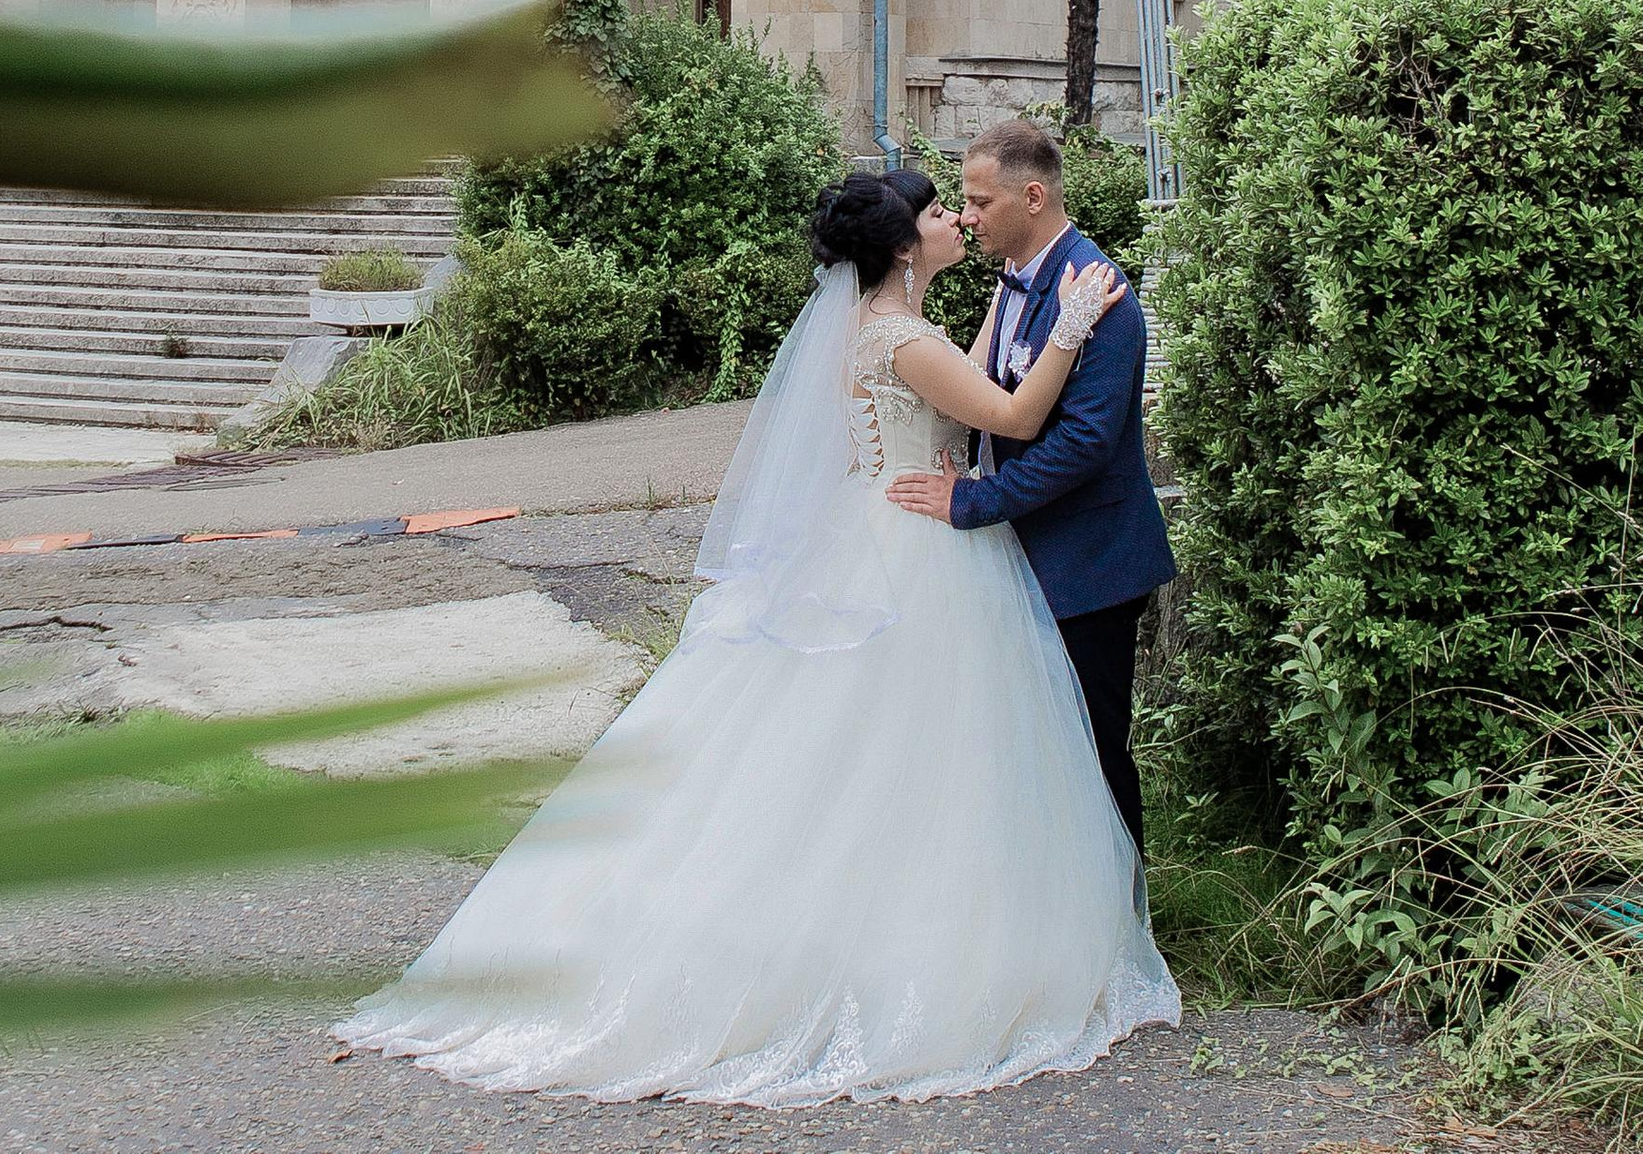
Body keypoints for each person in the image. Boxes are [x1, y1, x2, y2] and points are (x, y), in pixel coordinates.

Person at [339, 164, 1178, 1109]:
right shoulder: (902, 337)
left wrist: (1009, 315)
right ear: (904, 244)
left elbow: (968, 375)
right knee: (919, 753)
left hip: (874, 542)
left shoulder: (881, 328)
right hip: (923, 552)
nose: (955, 219)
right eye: (939, 211)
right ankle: (913, 942)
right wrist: (1069, 327)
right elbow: (1011, 412)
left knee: (869, 758)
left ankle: (881, 921)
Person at [885, 114, 1174, 850]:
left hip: (1091, 561)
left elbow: (1082, 443)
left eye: (981, 203)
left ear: (1034, 197)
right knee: (1035, 754)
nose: (969, 217)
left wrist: (972, 499)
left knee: (1093, 753)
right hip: (1025, 557)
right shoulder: (1015, 281)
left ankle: (1124, 925)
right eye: (964, 203)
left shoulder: (1099, 293)